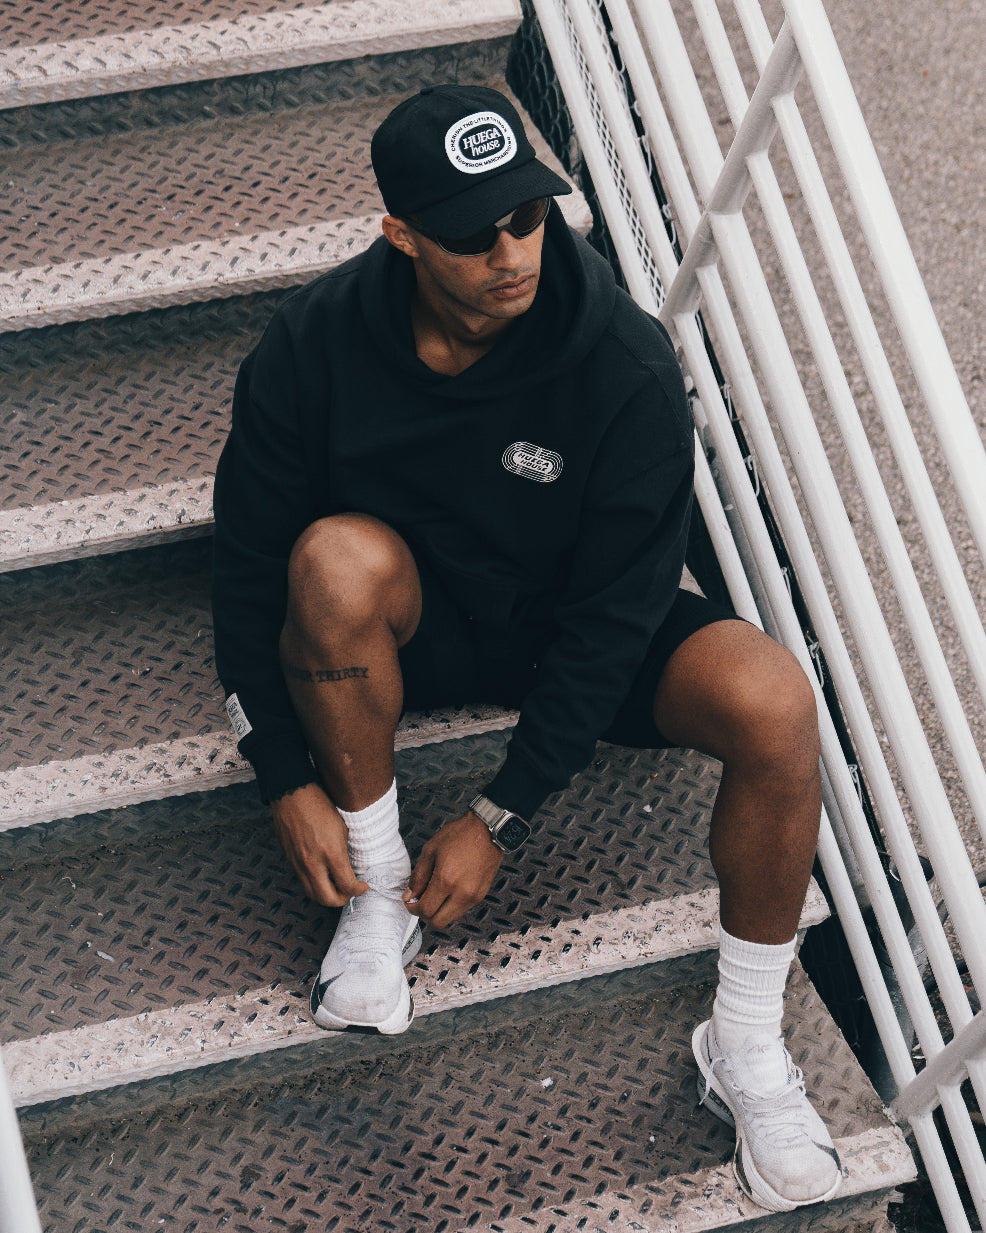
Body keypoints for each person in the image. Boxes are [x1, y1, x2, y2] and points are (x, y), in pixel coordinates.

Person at [211, 84, 842, 1213]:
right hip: (414, 627)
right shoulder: (311, 345)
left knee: (773, 702)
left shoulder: (621, 363)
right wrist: (283, 776)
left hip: (567, 632)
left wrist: (504, 809)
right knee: (330, 562)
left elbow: (616, 617)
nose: (510, 253)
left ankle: (741, 1045)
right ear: (399, 232)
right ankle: (381, 891)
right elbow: (249, 569)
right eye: (468, 232)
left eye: (527, 217)